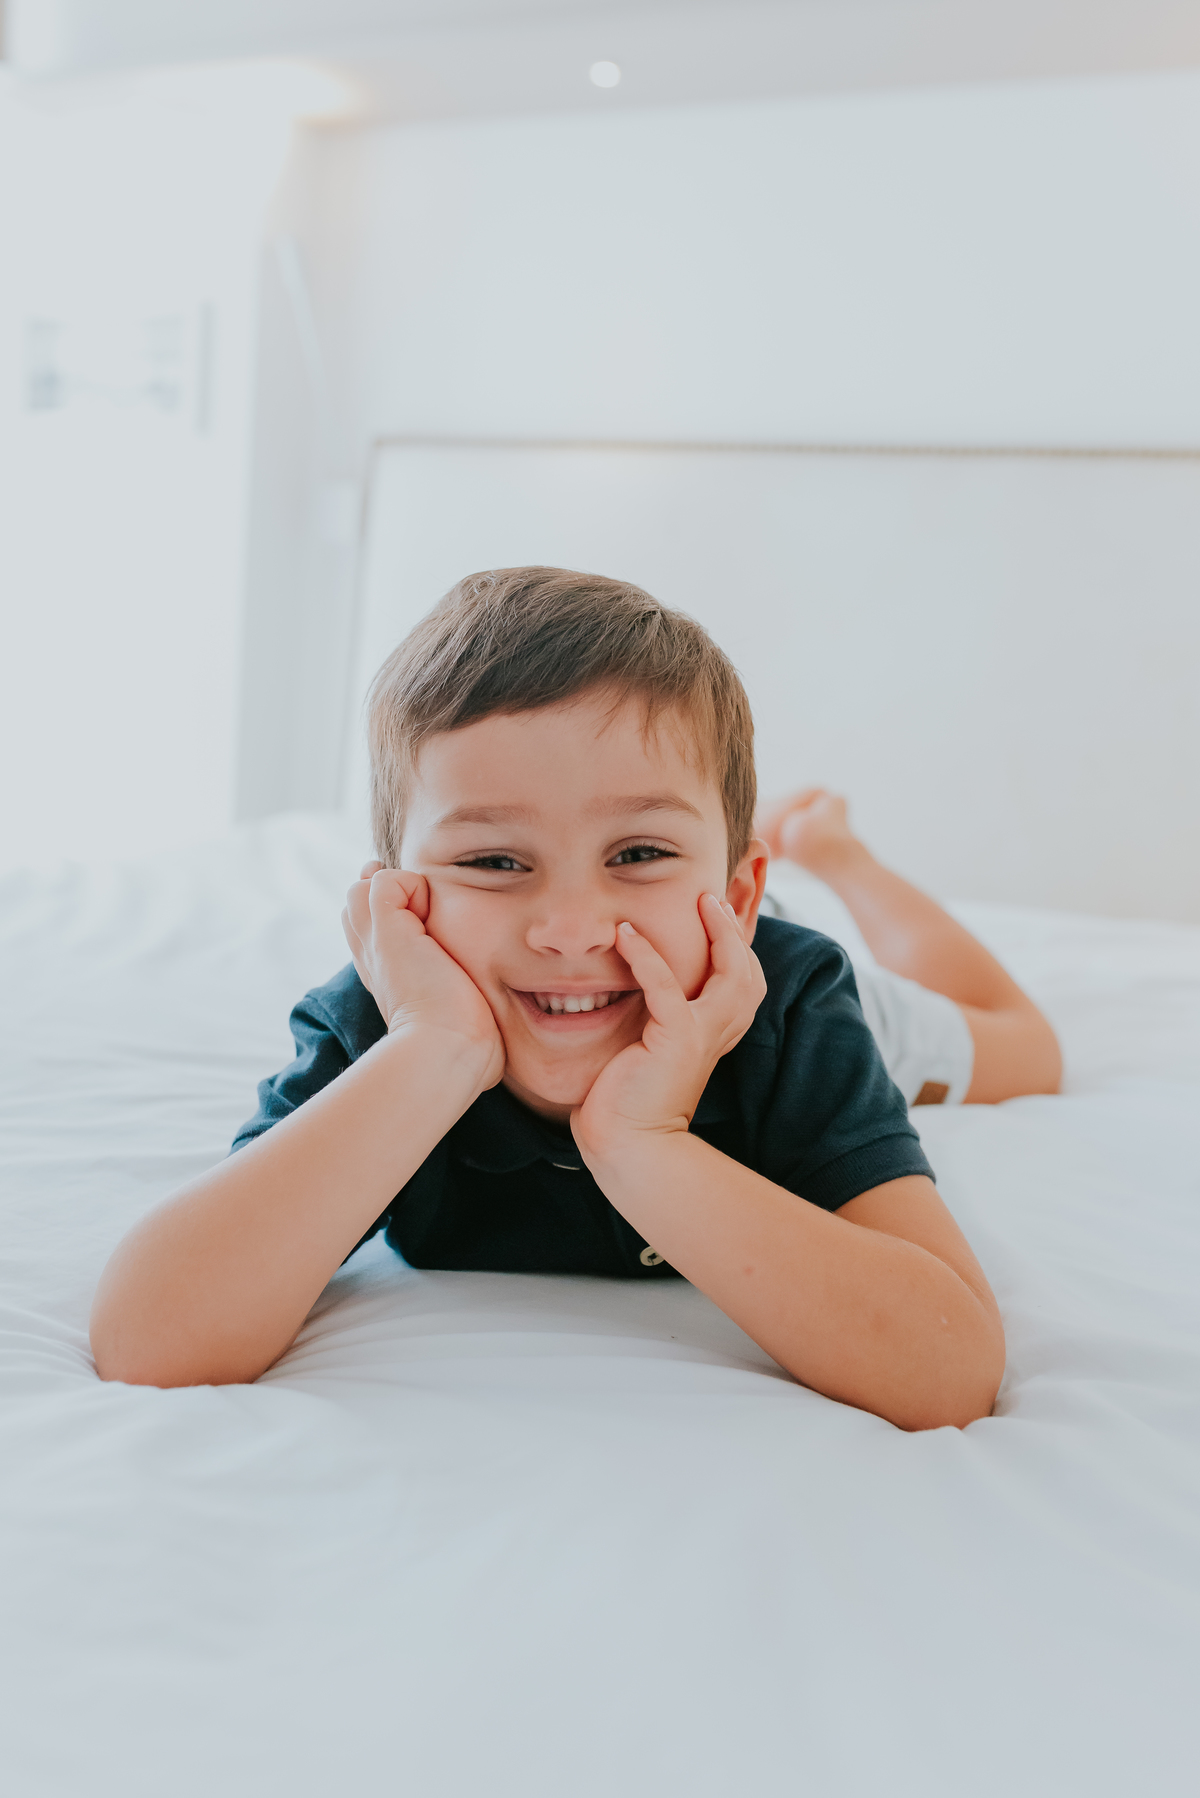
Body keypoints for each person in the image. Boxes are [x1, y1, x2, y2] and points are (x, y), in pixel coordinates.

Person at [90, 567, 1006, 1430]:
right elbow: (151, 1341)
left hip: (718, 980)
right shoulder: (383, 1031)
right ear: (397, 906)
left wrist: (642, 1145)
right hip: (614, 967)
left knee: (1019, 1047)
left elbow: (950, 1370)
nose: (570, 928)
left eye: (638, 853)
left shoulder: (794, 1005)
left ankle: (842, 857)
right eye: (494, 862)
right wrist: (435, 1052)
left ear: (733, 893)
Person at [756, 790, 1062, 1107]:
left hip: (768, 961)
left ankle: (832, 851)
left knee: (1027, 1055)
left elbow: (1035, 1056)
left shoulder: (804, 1002)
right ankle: (741, 829)